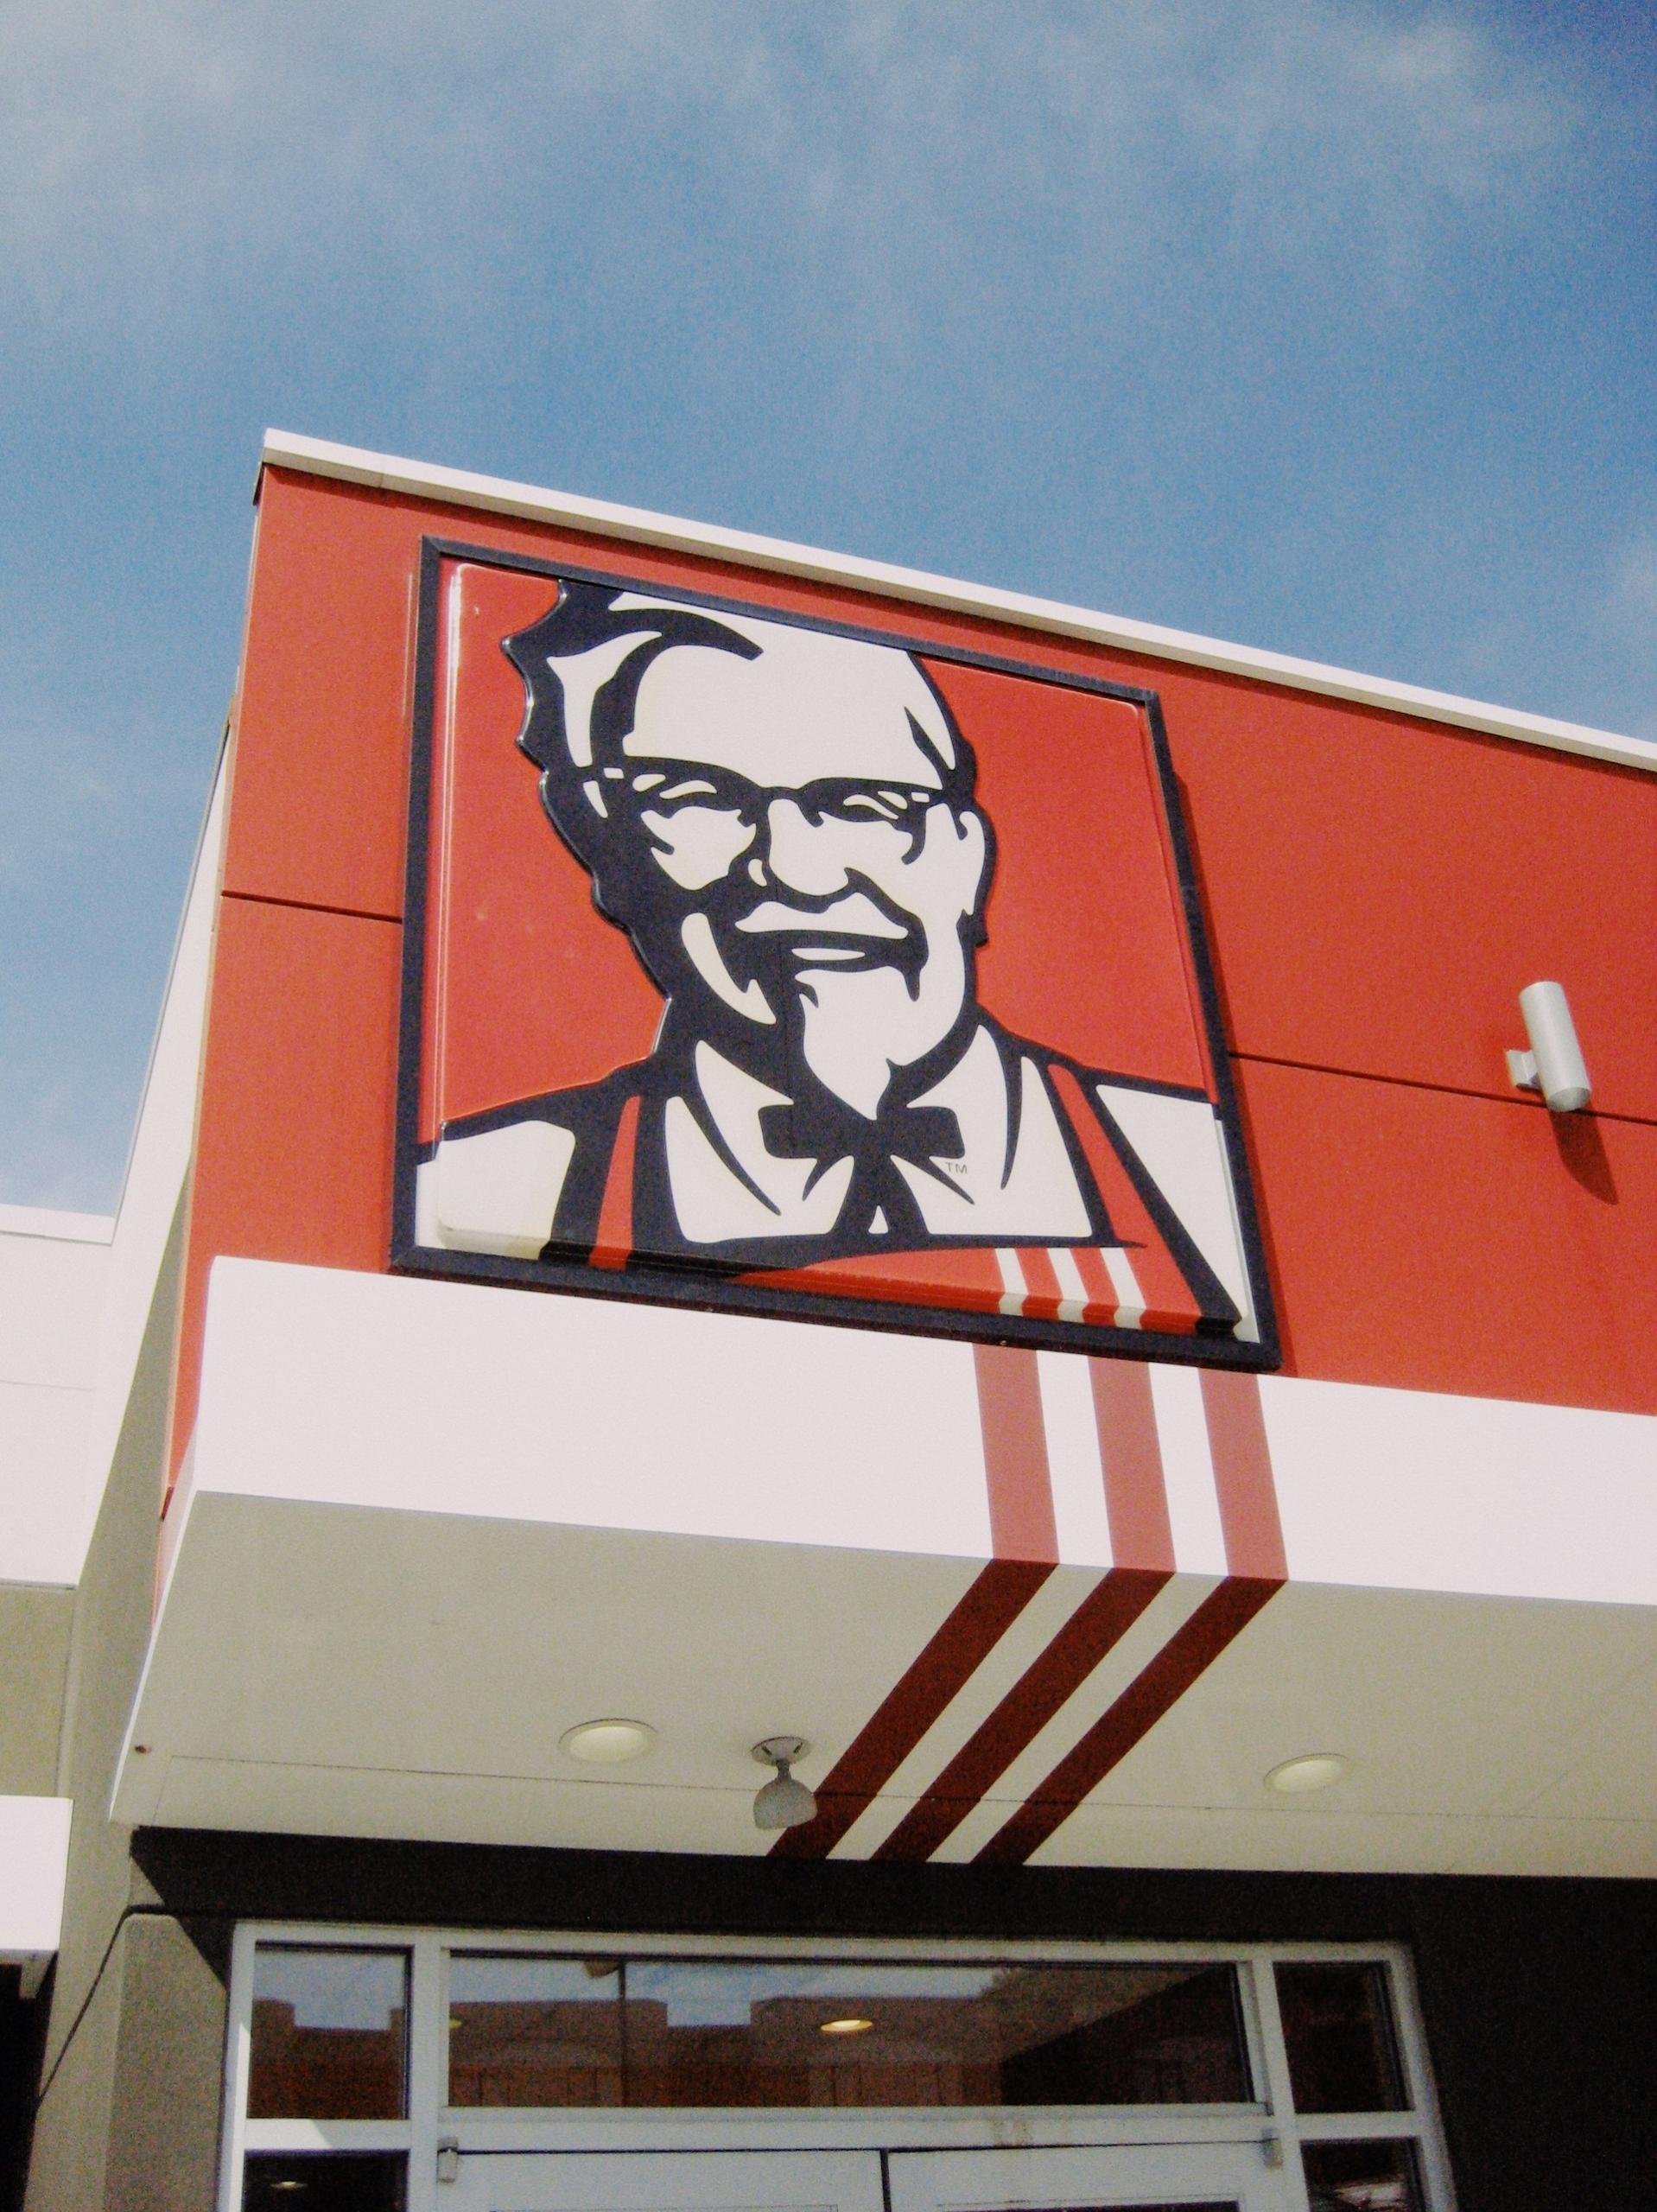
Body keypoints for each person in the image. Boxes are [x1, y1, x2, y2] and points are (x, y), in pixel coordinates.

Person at [414, 582, 1256, 1342]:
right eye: (701, 798)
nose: (797, 870)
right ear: (609, 848)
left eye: (863, 805)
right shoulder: (498, 1184)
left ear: (964, 854)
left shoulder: (1181, 1168)